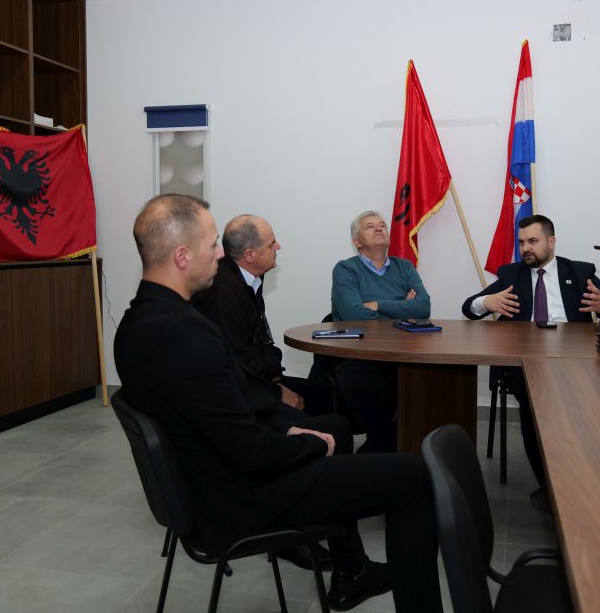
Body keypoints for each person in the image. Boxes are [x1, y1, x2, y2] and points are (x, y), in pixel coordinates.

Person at [114, 195, 443, 613]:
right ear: (182, 256)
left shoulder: (136, 324)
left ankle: (351, 571)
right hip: (238, 498)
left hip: (211, 481)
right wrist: (309, 443)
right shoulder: (184, 334)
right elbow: (248, 451)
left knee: (334, 428)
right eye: (212, 244)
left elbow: (221, 411)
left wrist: (287, 428)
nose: (221, 254)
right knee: (412, 476)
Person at [461, 214, 600, 510]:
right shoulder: (511, 275)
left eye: (532, 241)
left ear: (551, 242)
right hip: (525, 363)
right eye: (521, 243)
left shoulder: (579, 272)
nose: (525, 248)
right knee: (536, 402)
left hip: (573, 359)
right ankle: (550, 486)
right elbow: (468, 308)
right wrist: (485, 302)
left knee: (584, 402)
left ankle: (583, 477)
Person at [191, 214, 332, 415]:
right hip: (241, 395)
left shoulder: (249, 280)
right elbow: (238, 361)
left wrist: (276, 380)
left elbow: (258, 342)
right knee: (335, 422)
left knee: (327, 395)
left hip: (263, 380)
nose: (278, 247)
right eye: (271, 244)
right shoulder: (223, 293)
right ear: (250, 256)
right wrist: (278, 392)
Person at [330, 211, 431, 452]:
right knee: (363, 383)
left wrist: (376, 305)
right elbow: (353, 314)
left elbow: (423, 307)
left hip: (400, 349)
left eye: (382, 225)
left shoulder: (404, 267)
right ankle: (389, 444)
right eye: (370, 226)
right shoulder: (346, 269)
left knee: (428, 381)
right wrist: (402, 310)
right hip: (358, 351)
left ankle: (382, 445)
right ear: (357, 241)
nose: (378, 228)